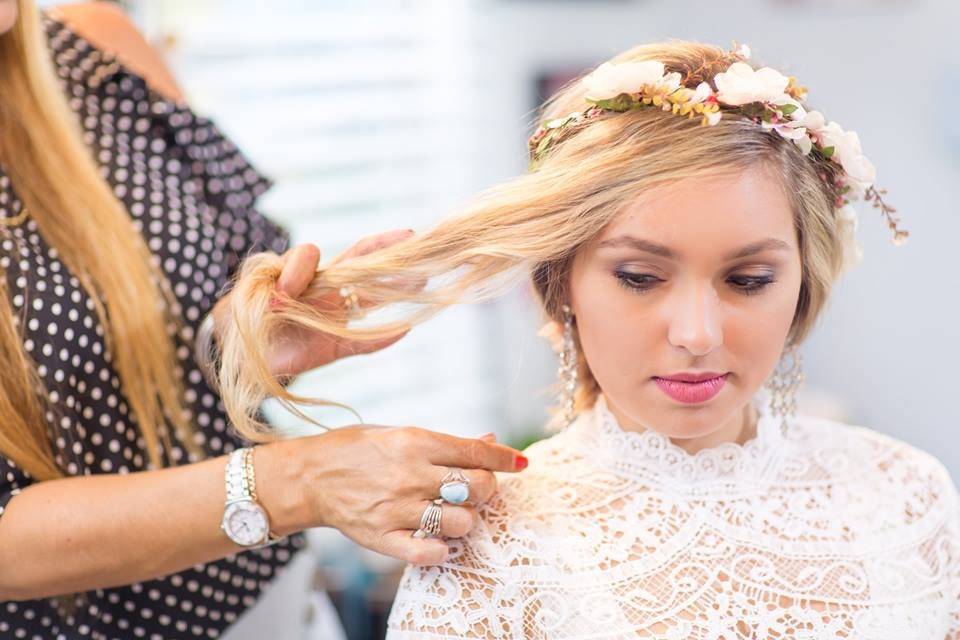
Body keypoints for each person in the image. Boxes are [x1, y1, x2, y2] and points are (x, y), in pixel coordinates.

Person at [212, 41, 960, 639]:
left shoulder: (907, 493)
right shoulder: (489, 545)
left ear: (803, 286)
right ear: (561, 284)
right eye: (639, 277)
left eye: (749, 280)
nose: (697, 336)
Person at [0, 2, 529, 638]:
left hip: (286, 610)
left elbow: (156, 347)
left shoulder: (95, 59)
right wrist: (295, 482)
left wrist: (245, 342)